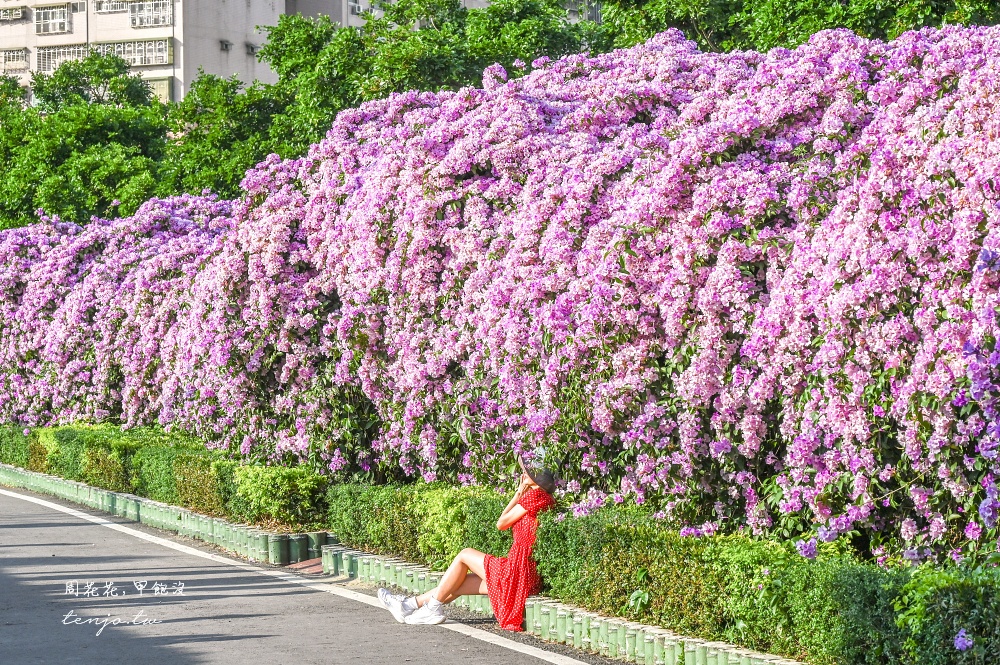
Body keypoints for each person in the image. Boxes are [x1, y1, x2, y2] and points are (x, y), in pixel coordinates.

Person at [377, 454, 557, 629]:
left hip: (517, 570)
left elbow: (501, 523)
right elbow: (503, 521)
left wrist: (519, 494)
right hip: (524, 571)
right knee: (458, 583)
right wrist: (519, 492)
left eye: (529, 472)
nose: (524, 473)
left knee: (464, 555)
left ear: (539, 479)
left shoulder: (536, 497)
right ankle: (408, 605)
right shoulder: (544, 498)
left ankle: (430, 609)